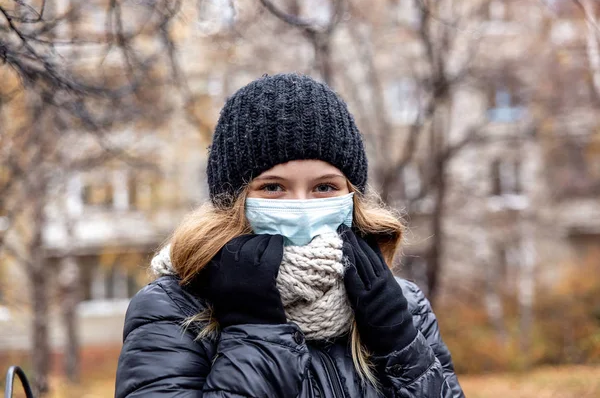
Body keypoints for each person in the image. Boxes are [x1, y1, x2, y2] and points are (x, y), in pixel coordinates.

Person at [115, 73, 465, 397]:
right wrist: (255, 332)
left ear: (352, 195)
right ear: (232, 200)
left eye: (324, 186)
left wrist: (401, 346)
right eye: (273, 187)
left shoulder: (404, 303)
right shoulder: (173, 308)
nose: (300, 206)